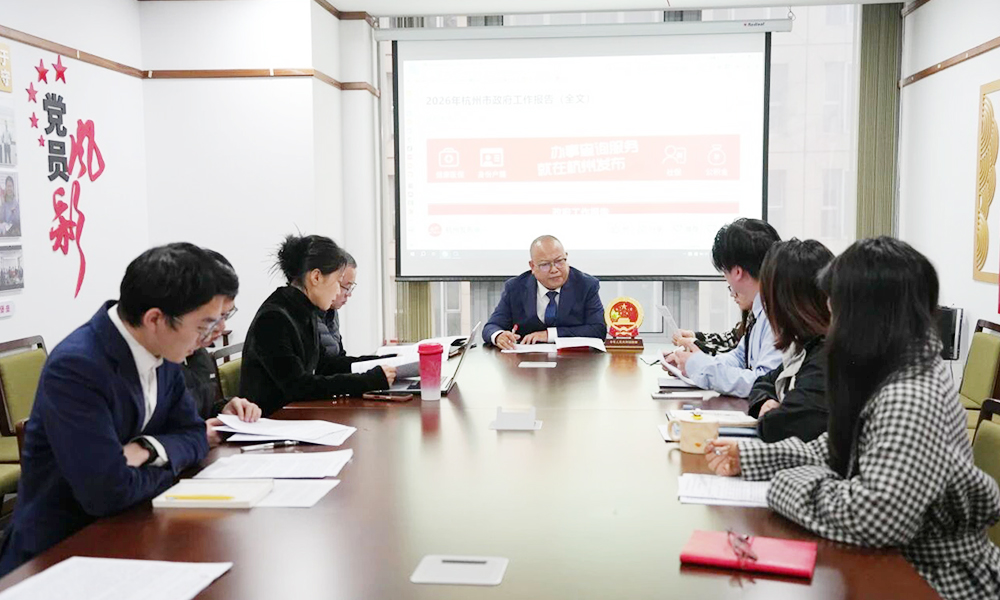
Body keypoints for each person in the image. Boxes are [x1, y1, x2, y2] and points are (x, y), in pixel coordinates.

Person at [706, 237, 1000, 600]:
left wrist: (782, 484)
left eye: (835, 311)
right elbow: (836, 448)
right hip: (896, 565)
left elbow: (872, 517)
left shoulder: (909, 394)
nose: (830, 325)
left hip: (932, 580)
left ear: (864, 316)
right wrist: (751, 458)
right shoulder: (893, 367)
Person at [0, 243, 233, 576]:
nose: (206, 339)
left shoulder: (163, 350)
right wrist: (171, 463)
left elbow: (195, 433)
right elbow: (106, 492)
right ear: (155, 319)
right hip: (61, 551)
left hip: (134, 528)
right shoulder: (78, 367)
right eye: (202, 327)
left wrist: (147, 449)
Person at [240, 235, 394, 415]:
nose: (338, 291)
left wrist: (383, 362)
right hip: (272, 420)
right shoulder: (274, 319)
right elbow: (298, 386)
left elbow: (325, 366)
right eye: (338, 282)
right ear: (316, 277)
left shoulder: (304, 310)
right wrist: (368, 381)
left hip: (298, 415)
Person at [663, 218, 782, 397]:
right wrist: (694, 364)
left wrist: (701, 367)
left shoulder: (778, 314)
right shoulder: (761, 309)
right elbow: (738, 358)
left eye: (724, 272)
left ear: (737, 272)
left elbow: (762, 383)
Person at [747, 239, 833, 443]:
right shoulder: (803, 347)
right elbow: (763, 383)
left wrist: (771, 414)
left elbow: (780, 427)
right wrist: (766, 401)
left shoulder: (826, 357)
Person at [178, 250, 262, 444]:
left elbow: (202, 409)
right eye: (213, 318)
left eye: (225, 315)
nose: (221, 327)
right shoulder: (157, 360)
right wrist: (193, 437)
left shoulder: (199, 354)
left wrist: (225, 409)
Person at [483, 235, 605, 349]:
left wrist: (549, 334)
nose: (554, 269)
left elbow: (598, 329)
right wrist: (499, 336)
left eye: (559, 261)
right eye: (545, 265)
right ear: (532, 266)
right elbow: (491, 327)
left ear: (566, 258)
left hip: (574, 361)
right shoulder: (515, 287)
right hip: (527, 360)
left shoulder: (586, 285)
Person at [317, 252, 357, 357]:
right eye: (346, 287)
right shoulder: (305, 316)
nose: (348, 294)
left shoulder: (331, 312)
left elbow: (339, 356)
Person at [671, 314, 748, 355]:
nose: (732, 294)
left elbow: (734, 357)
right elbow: (728, 338)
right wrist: (694, 336)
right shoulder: (748, 320)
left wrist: (694, 344)